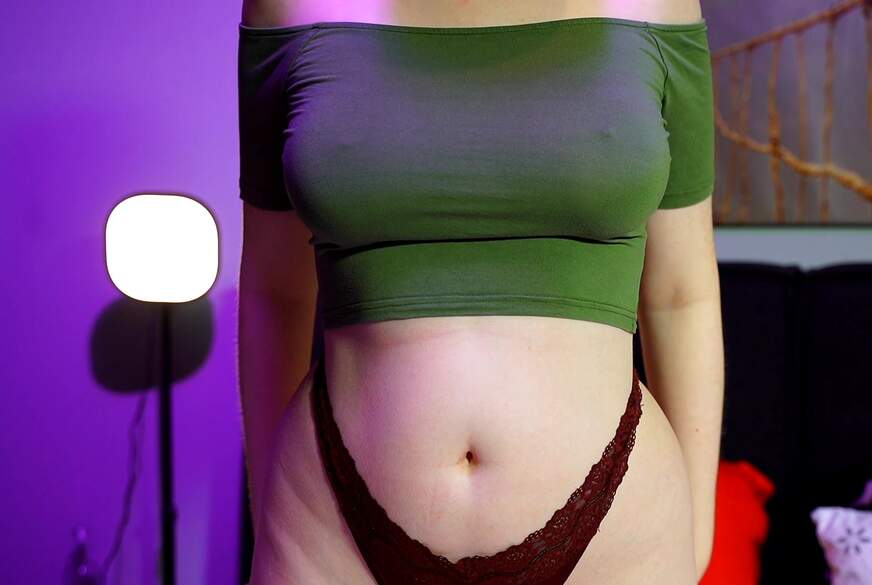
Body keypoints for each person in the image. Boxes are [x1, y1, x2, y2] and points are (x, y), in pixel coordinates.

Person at [236, 1, 725, 583]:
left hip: (615, 529)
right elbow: (274, 292)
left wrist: (698, 528)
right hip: (328, 528)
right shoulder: (289, 7)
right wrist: (266, 503)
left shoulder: (654, 5)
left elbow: (681, 294)